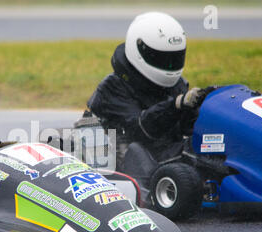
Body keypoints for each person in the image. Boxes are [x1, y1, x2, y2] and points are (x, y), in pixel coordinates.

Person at [83, 12, 213, 186]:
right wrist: (176, 105)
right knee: (140, 151)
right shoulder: (113, 88)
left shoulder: (176, 84)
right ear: (139, 50)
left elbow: (186, 129)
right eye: (162, 59)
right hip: (126, 163)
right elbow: (140, 130)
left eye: (174, 59)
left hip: (163, 154)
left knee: (211, 144)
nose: (170, 66)